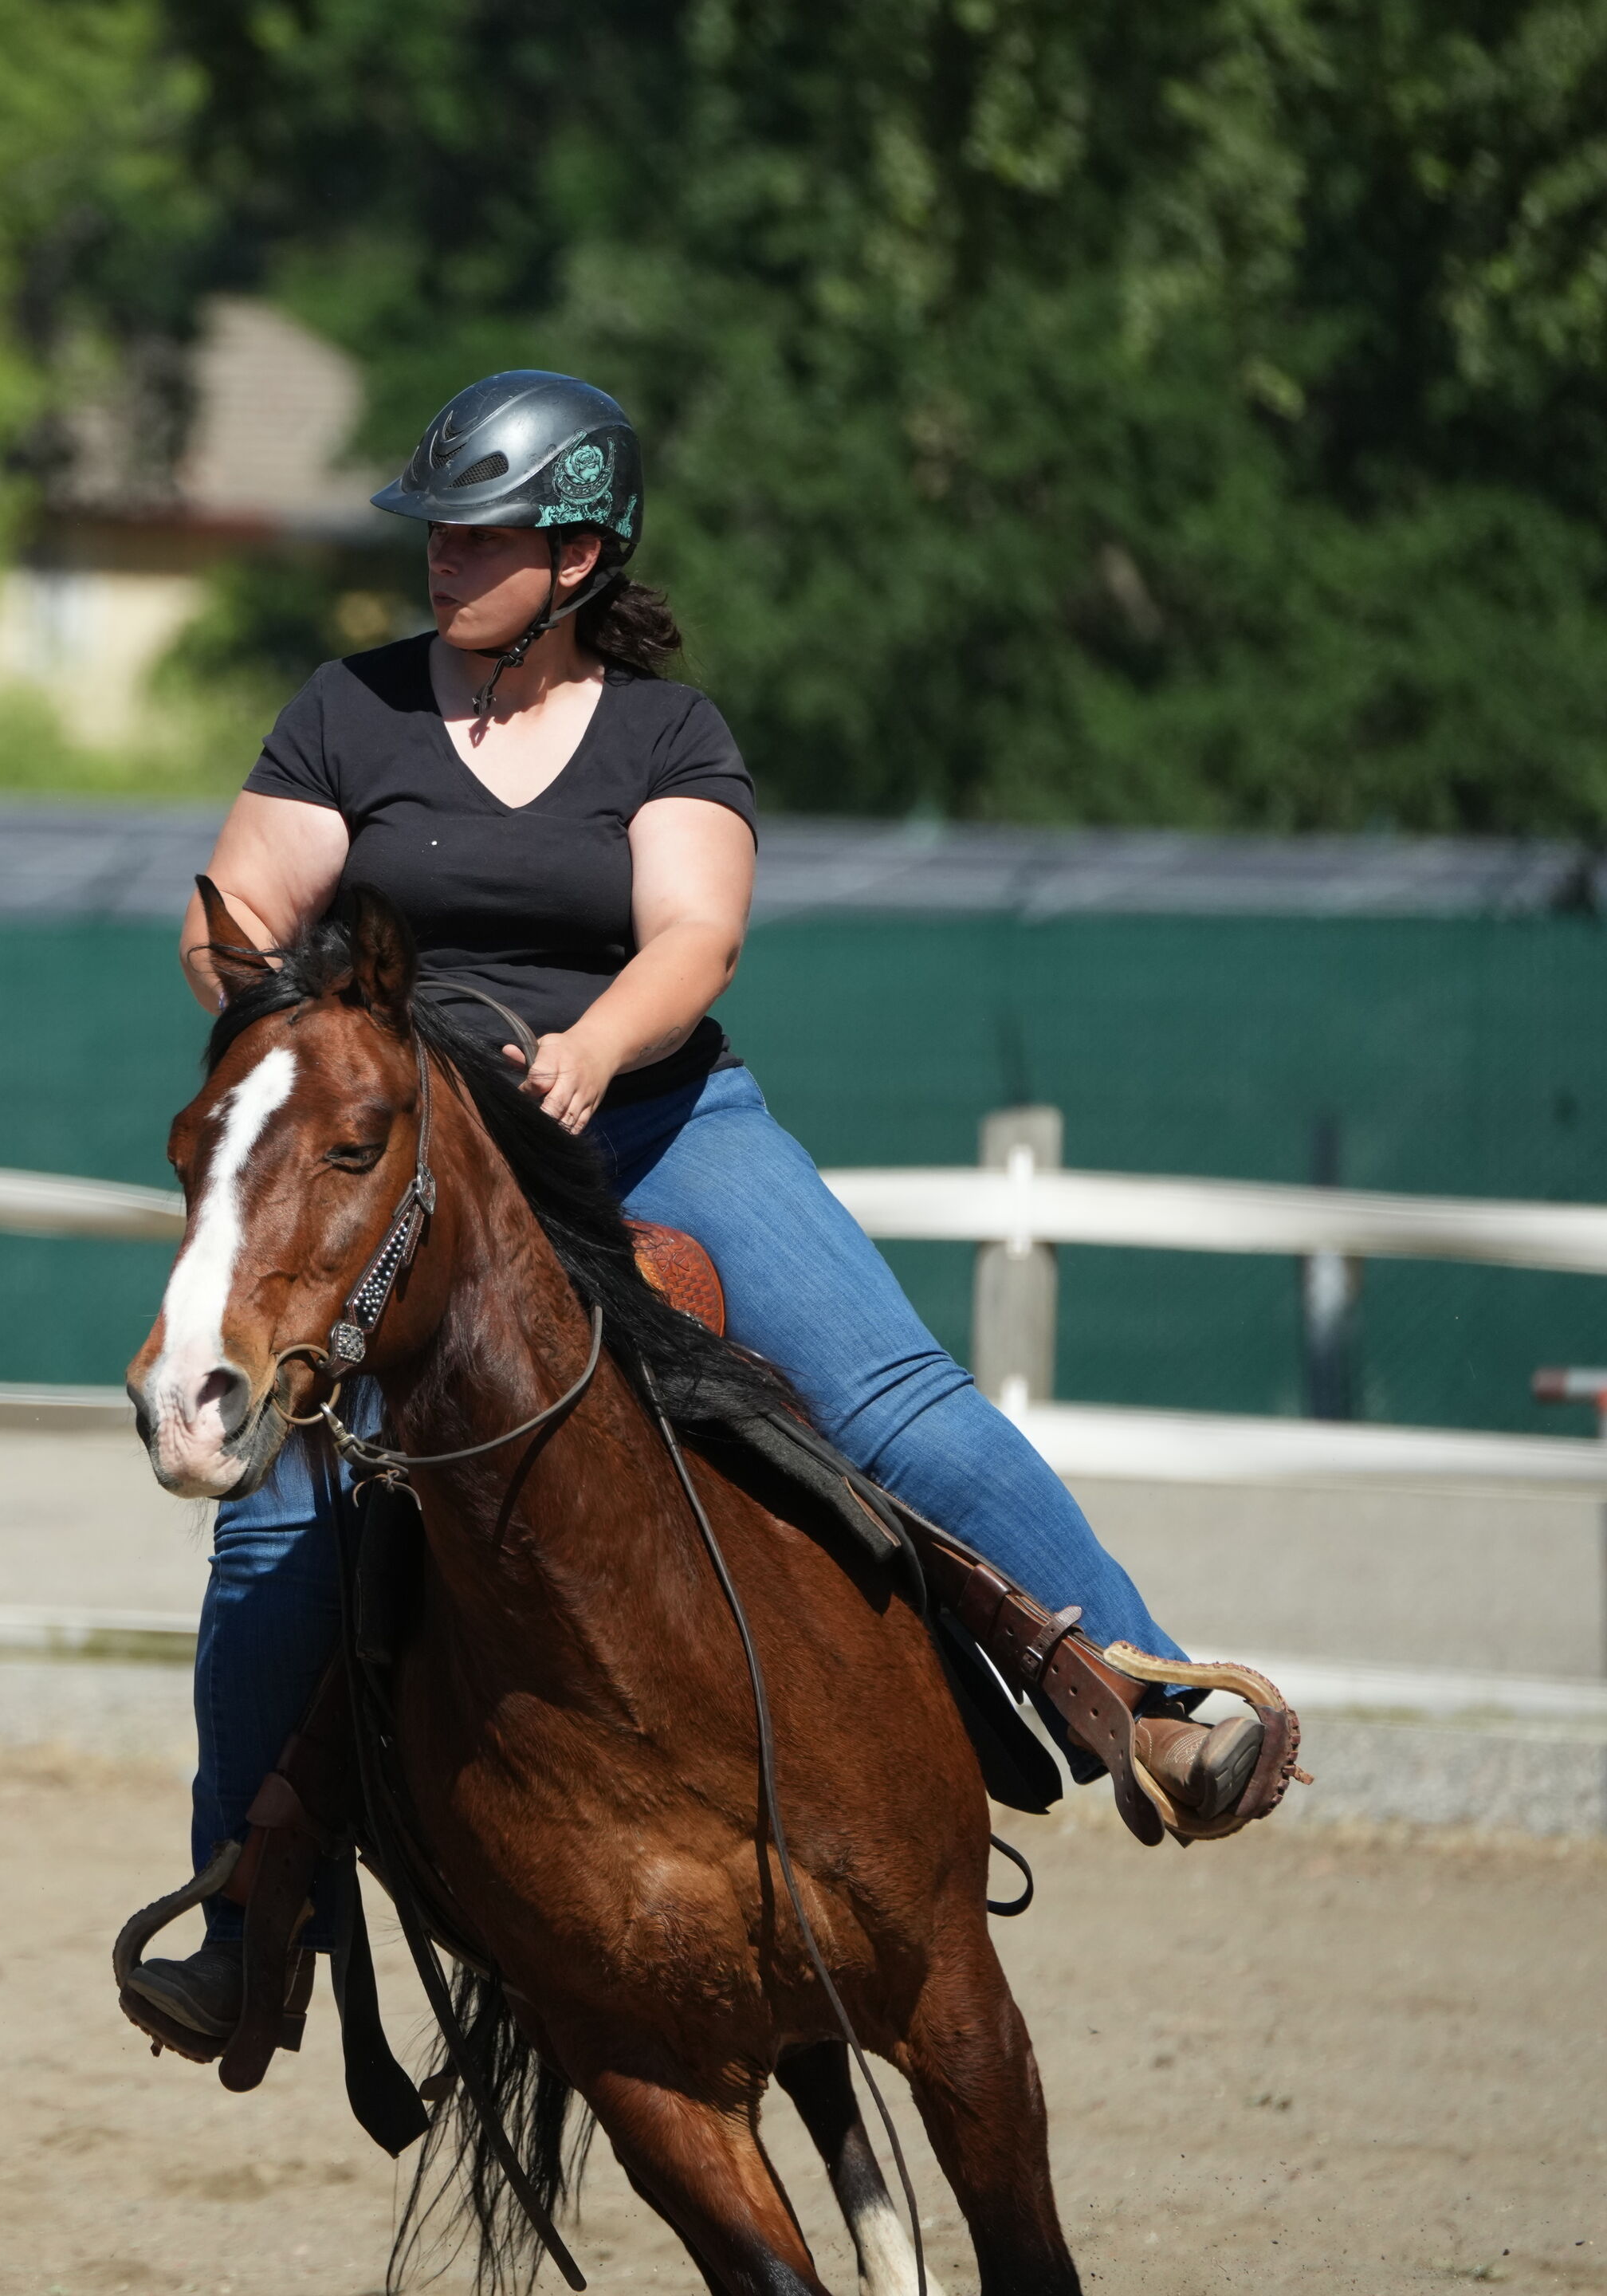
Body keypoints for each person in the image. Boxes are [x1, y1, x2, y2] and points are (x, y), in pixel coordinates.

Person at [123, 371, 1267, 2042]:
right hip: (418, 1168)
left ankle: (1147, 1699)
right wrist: (300, 1019)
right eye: (434, 533)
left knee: (893, 1402)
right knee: (281, 1518)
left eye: (482, 534)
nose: (442, 560)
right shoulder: (345, 713)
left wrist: (587, 1051)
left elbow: (693, 937)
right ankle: (244, 1907)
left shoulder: (668, 733)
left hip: (651, 1121)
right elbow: (231, 911)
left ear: (578, 556)